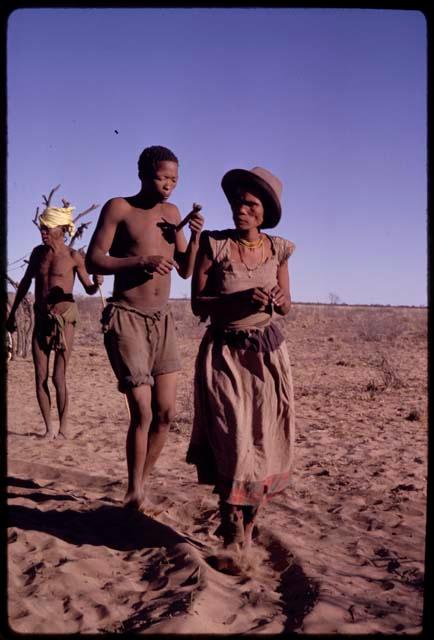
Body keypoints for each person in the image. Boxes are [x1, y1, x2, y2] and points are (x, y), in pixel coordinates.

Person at [186, 166, 296, 566]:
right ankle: (230, 527)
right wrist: (242, 300)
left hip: (267, 355)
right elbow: (199, 304)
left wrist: (279, 302)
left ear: (265, 212)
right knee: (232, 441)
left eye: (251, 204)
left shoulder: (278, 248)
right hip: (225, 354)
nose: (241, 210)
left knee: (262, 443)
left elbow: (287, 303)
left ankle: (247, 527)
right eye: (238, 202)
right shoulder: (214, 245)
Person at [85, 145, 204, 511]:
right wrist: (140, 261)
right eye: (162, 178)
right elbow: (94, 259)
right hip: (127, 316)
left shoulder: (173, 214)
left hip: (162, 320)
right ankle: (134, 490)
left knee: (166, 412)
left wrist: (195, 236)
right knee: (143, 409)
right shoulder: (119, 208)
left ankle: (141, 484)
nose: (169, 186)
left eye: (174, 180)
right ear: (142, 173)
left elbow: (185, 270)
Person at [6, 205, 104, 440]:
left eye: (48, 228)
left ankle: (64, 427)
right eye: (42, 228)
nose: (43, 232)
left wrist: (97, 284)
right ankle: (48, 428)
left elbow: (89, 288)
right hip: (41, 319)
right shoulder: (37, 254)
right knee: (39, 376)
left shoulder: (73, 256)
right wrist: (11, 316)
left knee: (58, 376)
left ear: (62, 229)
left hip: (65, 321)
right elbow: (26, 283)